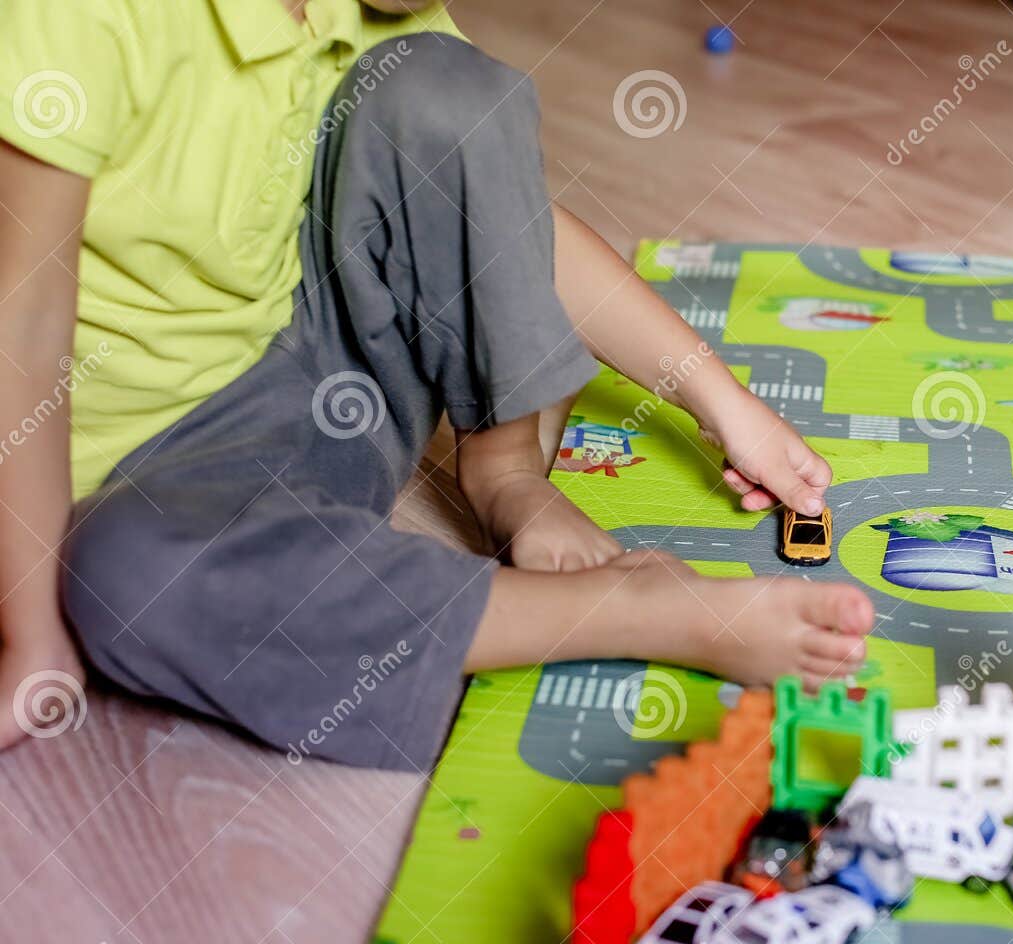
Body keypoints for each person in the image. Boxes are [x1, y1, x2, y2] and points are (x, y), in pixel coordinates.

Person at [0, 0, 871, 770]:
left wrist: (722, 401)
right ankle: (622, 610)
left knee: (444, 91)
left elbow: (506, 215)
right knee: (127, 573)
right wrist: (30, 634)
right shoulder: (77, 16)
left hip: (326, 367)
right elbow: (23, 327)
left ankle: (503, 474)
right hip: (154, 473)